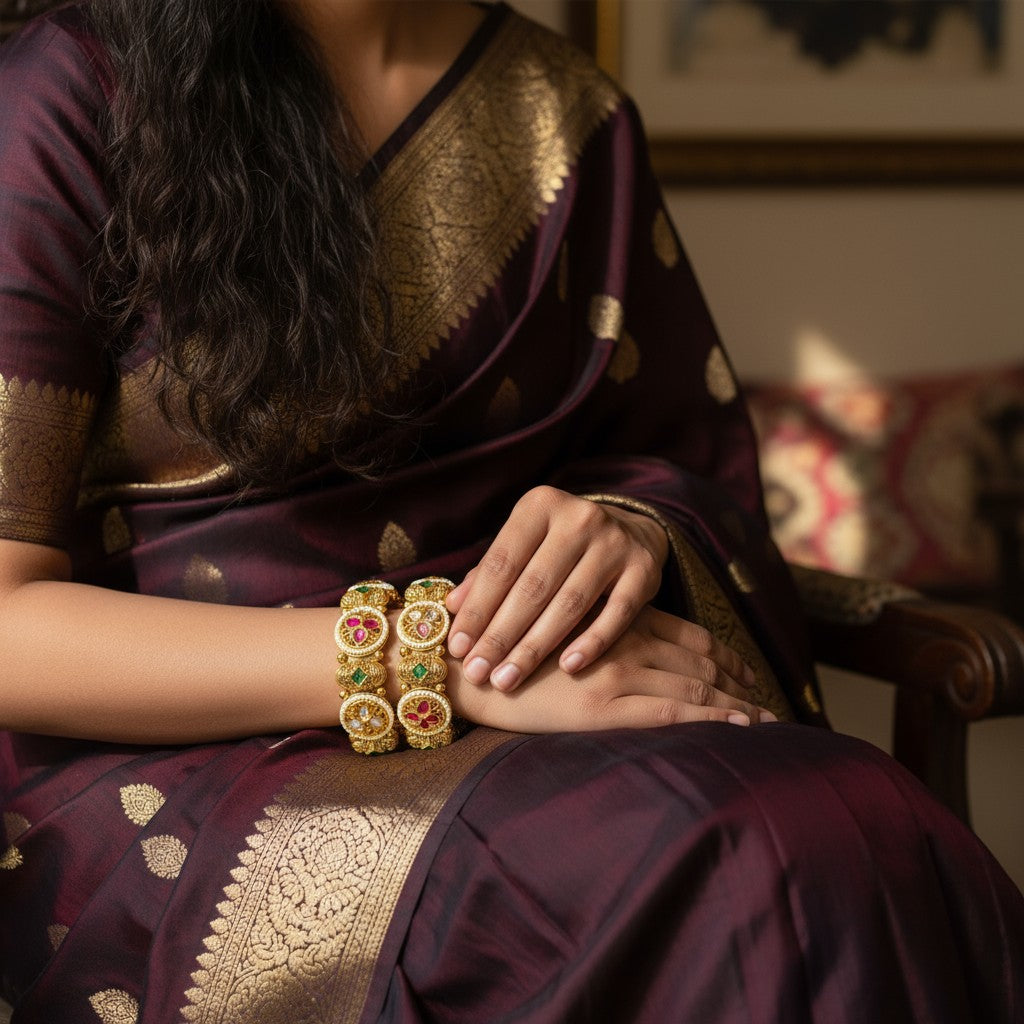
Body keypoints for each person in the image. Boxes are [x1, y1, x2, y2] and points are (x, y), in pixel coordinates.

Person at [0, 2, 1020, 1021]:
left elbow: (672, 456)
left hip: (542, 712)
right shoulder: (75, 90)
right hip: (176, 766)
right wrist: (436, 661)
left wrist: (626, 535)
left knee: (858, 823)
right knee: (724, 862)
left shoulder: (559, 113)